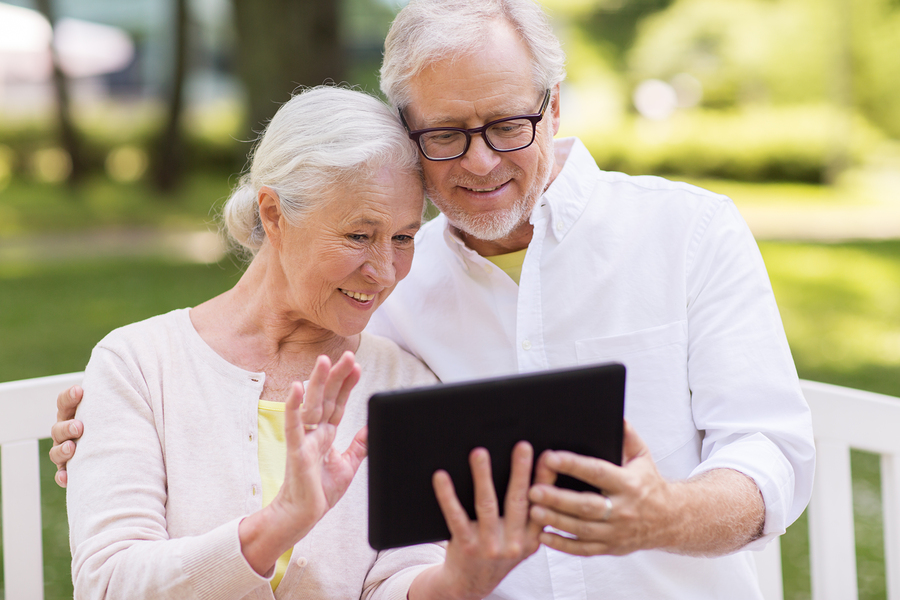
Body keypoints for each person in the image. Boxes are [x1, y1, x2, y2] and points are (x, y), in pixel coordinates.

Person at [55, 0, 816, 598]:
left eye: (508, 124)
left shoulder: (685, 232)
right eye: (446, 133)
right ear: (408, 136)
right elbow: (263, 334)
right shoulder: (384, 299)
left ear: (554, 108)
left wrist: (667, 516)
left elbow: (772, 451)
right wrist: (112, 423)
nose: (481, 161)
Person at [61, 85, 543, 600]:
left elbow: (394, 578)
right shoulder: (140, 365)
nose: (384, 272)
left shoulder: (403, 383)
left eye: (404, 238)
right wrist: (277, 525)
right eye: (359, 235)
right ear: (273, 215)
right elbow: (108, 584)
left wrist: (457, 582)